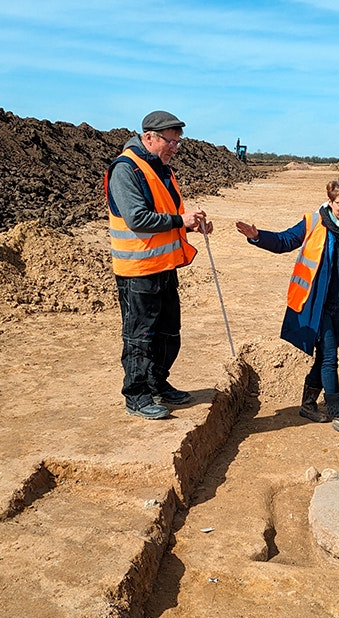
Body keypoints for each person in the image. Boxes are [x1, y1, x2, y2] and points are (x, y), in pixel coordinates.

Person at [235, 177, 339, 436]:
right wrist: (257, 237)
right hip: (318, 305)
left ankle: (308, 404)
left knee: (324, 356)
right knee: (330, 357)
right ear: (330, 202)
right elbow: (285, 241)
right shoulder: (314, 223)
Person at [106, 110, 213, 420]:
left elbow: (166, 214)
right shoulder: (126, 169)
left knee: (168, 333)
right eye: (171, 142)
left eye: (178, 143)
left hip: (164, 267)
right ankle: (136, 396)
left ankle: (157, 383)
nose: (175, 148)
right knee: (140, 336)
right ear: (149, 137)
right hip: (138, 270)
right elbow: (137, 219)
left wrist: (191, 225)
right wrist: (181, 220)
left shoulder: (161, 169)